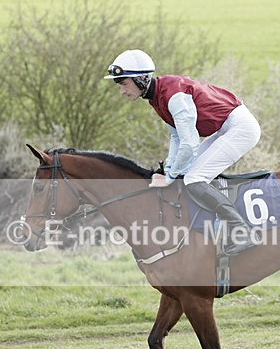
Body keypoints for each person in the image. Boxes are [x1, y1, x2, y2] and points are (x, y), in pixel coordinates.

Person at [104, 49, 262, 256]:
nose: (122, 91)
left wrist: (169, 177)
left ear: (141, 79)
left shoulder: (173, 96)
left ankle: (243, 231)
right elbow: (177, 138)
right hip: (226, 126)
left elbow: (189, 144)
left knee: (194, 178)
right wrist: (170, 167)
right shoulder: (157, 97)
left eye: (124, 84)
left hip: (240, 128)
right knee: (186, 174)